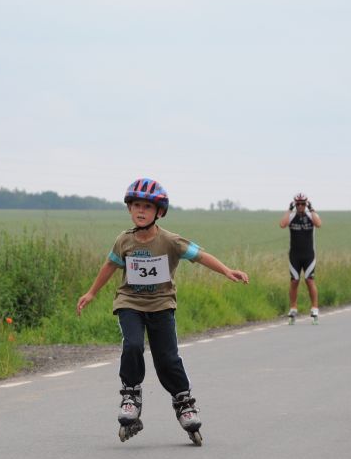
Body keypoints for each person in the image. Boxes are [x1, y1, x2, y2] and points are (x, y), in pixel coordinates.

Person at [76, 178, 249, 445]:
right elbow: (110, 266)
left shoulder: (170, 241)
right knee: (132, 345)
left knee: (167, 358)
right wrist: (91, 292)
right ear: (129, 209)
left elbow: (200, 255)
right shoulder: (124, 241)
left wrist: (227, 270)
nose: (141, 211)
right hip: (130, 303)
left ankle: (184, 402)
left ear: (160, 212)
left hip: (162, 305)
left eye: (147, 206)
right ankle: (131, 395)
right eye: (135, 205)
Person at [279, 193, 323, 324]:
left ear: (306, 204)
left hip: (309, 255)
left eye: (303, 203)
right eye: (297, 204)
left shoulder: (311, 215)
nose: (300, 206)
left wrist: (312, 209)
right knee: (294, 281)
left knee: (309, 280)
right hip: (295, 255)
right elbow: (282, 224)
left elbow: (319, 224)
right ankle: (293, 308)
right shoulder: (292, 216)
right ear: (294, 204)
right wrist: (289, 209)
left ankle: (314, 308)